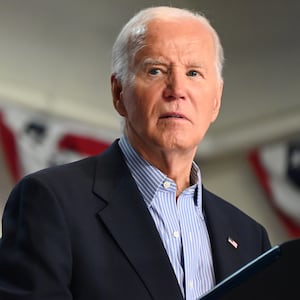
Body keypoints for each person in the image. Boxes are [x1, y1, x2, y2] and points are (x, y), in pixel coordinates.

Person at [0, 6, 271, 300]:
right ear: (119, 93)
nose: (177, 89)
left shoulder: (250, 237)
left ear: (215, 101)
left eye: (194, 73)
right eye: (156, 70)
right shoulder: (51, 201)